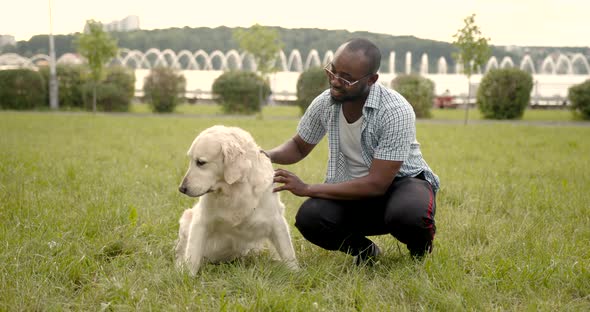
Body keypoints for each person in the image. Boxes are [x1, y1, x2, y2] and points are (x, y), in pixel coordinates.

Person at [263, 38, 440, 265]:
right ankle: (366, 251)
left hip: (401, 184)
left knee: (408, 216)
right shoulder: (325, 103)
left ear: (372, 79)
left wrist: (308, 188)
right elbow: (298, 146)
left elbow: (377, 184)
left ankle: (420, 250)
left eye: (347, 78)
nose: (335, 81)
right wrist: (264, 155)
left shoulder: (395, 111)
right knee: (310, 218)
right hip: (354, 188)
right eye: (332, 71)